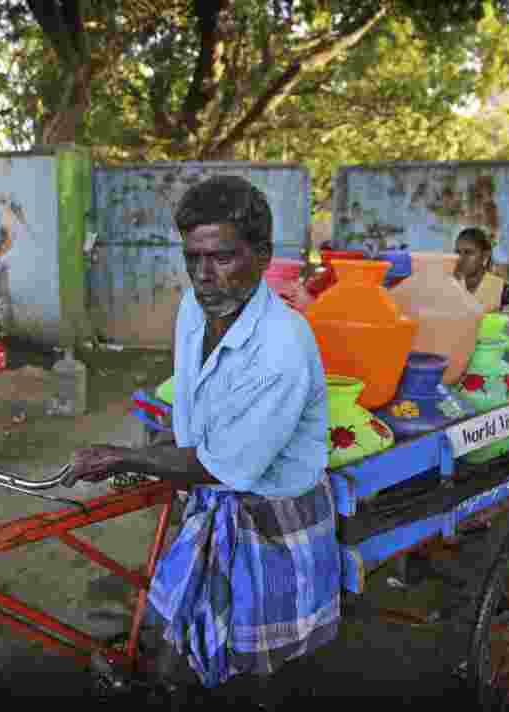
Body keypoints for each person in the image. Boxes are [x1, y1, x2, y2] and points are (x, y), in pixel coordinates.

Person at [66, 176, 339, 708]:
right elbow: (196, 404)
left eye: (221, 257)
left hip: (271, 518)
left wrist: (126, 456)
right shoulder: (197, 309)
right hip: (211, 494)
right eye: (192, 258)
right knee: (187, 649)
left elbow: (229, 466)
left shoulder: (280, 348)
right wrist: (167, 443)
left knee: (253, 671)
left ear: (262, 256)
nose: (203, 276)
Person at [454, 227, 509, 311]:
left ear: (485, 255)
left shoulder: (507, 294)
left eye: (469, 252)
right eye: (457, 252)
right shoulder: (450, 289)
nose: (461, 258)